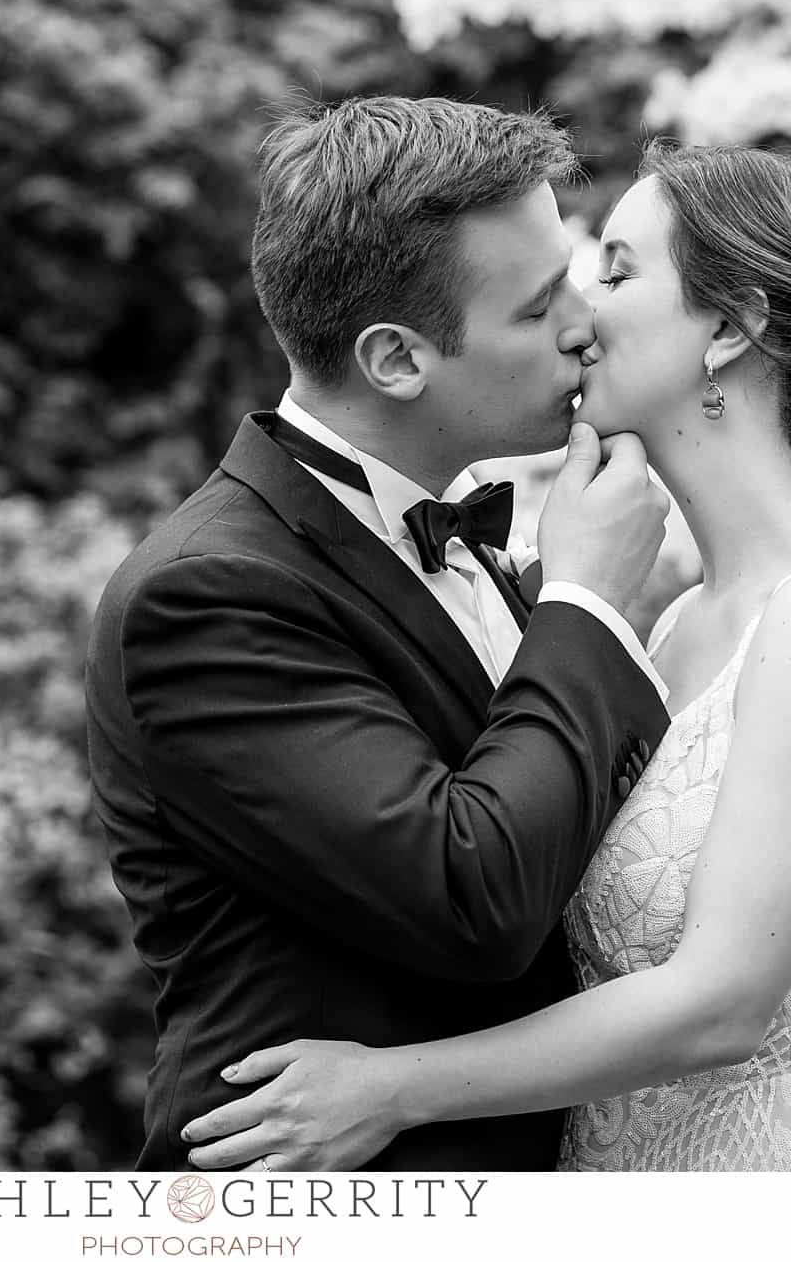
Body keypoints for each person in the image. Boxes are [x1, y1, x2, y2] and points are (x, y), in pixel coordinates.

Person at [179, 142, 791, 1171]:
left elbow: (722, 1002)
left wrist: (389, 1088)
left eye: (619, 271)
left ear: (731, 327)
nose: (579, 314)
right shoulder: (679, 621)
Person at [84, 95, 674, 1170]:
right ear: (397, 359)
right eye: (538, 307)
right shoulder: (210, 596)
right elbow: (472, 897)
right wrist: (584, 606)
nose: (585, 324)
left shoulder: (467, 544)